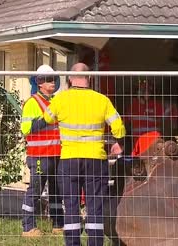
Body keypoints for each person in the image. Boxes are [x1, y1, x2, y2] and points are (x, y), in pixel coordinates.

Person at [43, 63, 126, 246]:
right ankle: (95, 242)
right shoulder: (102, 100)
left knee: (71, 205)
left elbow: (48, 118)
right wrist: (119, 142)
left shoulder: (61, 99)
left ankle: (73, 243)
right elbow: (118, 127)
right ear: (90, 78)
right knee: (95, 205)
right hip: (95, 159)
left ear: (70, 78)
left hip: (69, 159)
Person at [20, 64, 64, 237]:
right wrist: (46, 119)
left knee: (56, 189)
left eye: (53, 79)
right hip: (39, 155)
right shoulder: (32, 103)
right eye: (48, 79)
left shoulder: (54, 102)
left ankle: (58, 224)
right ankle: (28, 227)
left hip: (56, 154)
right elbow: (26, 128)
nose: (52, 82)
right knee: (36, 190)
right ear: (39, 82)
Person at [125, 79, 169, 152]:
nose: (146, 92)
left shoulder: (157, 105)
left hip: (154, 143)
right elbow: (127, 124)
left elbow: (166, 124)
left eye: (147, 89)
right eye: (143, 89)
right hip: (138, 143)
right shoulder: (133, 106)